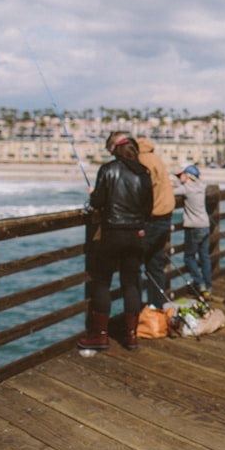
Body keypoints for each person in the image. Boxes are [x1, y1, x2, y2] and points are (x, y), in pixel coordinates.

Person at [79, 132, 153, 351]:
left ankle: (100, 335)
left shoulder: (108, 170)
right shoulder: (144, 173)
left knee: (102, 283)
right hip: (136, 235)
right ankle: (131, 335)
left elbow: (98, 201)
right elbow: (148, 209)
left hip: (113, 234)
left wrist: (93, 195)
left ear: (115, 150)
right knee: (131, 283)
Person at [137, 137, 176, 308]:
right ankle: (156, 308)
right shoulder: (157, 159)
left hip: (151, 219)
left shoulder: (142, 161)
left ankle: (136, 313)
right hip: (165, 218)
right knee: (156, 265)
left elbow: (142, 191)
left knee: (134, 267)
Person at [172, 164, 212, 297]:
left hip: (194, 227)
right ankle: (208, 286)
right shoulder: (201, 186)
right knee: (204, 257)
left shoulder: (187, 188)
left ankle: (199, 283)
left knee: (189, 257)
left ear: (188, 176)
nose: (179, 177)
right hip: (205, 225)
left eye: (181, 175)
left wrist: (173, 184)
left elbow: (170, 192)